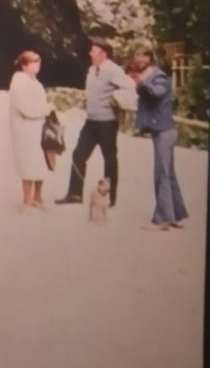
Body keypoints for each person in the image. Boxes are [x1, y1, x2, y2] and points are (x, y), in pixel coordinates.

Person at [55, 37, 135, 208]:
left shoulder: (113, 70)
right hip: (91, 121)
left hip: (107, 122)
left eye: (93, 50)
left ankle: (110, 197)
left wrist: (116, 98)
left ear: (103, 54)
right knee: (78, 154)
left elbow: (129, 86)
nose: (90, 53)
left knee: (109, 159)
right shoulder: (92, 70)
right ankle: (75, 194)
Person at [126, 51, 188, 231]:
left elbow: (156, 93)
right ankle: (175, 214)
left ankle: (163, 218)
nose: (138, 66)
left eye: (142, 62)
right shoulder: (150, 79)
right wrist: (139, 81)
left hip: (165, 132)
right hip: (162, 131)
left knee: (161, 174)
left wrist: (142, 81)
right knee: (168, 173)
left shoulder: (159, 78)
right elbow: (144, 92)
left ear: (150, 65)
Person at [8, 50, 53, 210]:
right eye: (33, 62)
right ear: (24, 65)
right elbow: (26, 109)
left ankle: (38, 197)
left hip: (39, 128)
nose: (37, 65)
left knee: (41, 163)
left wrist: (46, 108)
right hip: (25, 129)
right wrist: (46, 109)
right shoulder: (18, 82)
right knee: (28, 164)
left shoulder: (36, 82)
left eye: (38, 62)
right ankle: (26, 200)